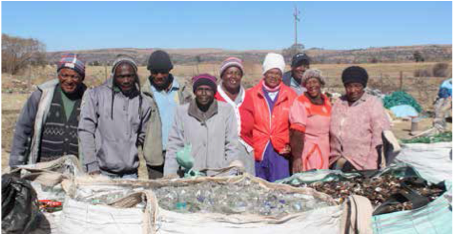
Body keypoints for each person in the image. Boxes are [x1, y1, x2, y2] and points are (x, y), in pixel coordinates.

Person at [78, 56, 151, 179]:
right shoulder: (96, 95)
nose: (126, 80)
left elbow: (142, 135)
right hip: (101, 171)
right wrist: (91, 165)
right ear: (113, 76)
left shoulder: (142, 101)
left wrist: (127, 147)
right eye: (121, 76)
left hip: (130, 173)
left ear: (135, 76)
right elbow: (86, 130)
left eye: (130, 76)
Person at [9, 53, 87, 167]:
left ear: (82, 78)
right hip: (43, 168)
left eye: (74, 76)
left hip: (76, 169)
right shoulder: (41, 95)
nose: (69, 80)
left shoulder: (89, 98)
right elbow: (22, 130)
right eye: (64, 75)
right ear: (58, 75)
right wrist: (15, 164)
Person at [164, 74, 242, 177]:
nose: (204, 93)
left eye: (208, 90)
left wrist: (228, 174)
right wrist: (170, 174)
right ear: (195, 91)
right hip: (191, 175)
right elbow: (174, 145)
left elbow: (232, 145)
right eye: (200, 89)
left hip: (219, 174)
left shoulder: (226, 111)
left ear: (214, 92)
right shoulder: (182, 112)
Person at [142, 50, 192, 179]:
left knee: (181, 192)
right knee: (159, 193)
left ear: (169, 70)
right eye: (155, 72)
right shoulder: (144, 93)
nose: (159, 76)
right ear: (150, 72)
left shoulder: (183, 90)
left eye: (163, 72)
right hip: (155, 154)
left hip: (181, 152)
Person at [329, 66, 391, 171]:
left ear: (363, 86)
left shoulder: (372, 103)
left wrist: (370, 168)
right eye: (349, 86)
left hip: (361, 165)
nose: (353, 90)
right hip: (336, 161)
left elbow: (379, 139)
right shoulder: (339, 103)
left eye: (357, 86)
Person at [249, 53, 297, 182]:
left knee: (280, 188)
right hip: (259, 150)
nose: (274, 76)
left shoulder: (291, 95)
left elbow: (296, 125)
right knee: (259, 188)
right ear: (264, 73)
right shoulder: (251, 95)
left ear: (281, 75)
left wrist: (292, 145)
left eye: (277, 73)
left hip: (281, 151)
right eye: (271, 72)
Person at [214, 57, 255, 175]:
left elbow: (255, 126)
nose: (233, 76)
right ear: (222, 75)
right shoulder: (214, 97)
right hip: (221, 152)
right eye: (229, 73)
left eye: (237, 73)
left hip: (246, 152)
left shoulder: (248, 97)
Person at [289, 69, 331, 173]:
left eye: (315, 81)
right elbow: (296, 132)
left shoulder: (326, 101)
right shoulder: (301, 101)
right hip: (307, 149)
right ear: (304, 85)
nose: (312, 85)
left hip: (325, 149)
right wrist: (297, 157)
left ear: (320, 83)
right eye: (308, 82)